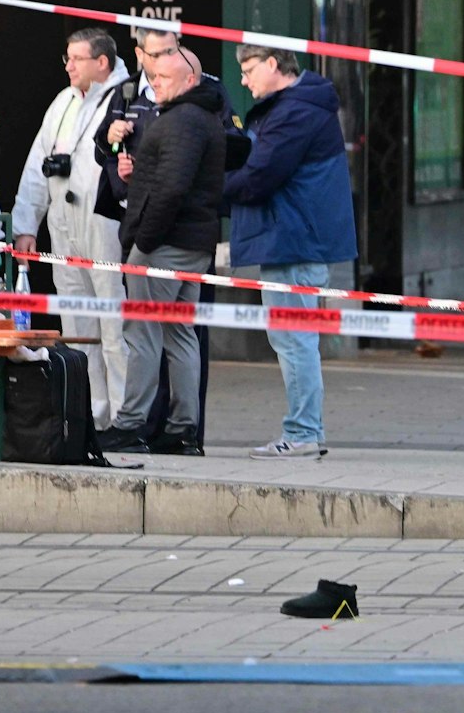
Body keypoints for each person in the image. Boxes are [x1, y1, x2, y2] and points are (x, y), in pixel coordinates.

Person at [226, 46, 357, 459]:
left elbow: (261, 174)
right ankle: (306, 431)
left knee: (293, 340)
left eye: (248, 71)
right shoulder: (301, 105)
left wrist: (207, 189)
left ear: (272, 64)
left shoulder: (295, 112)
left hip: (295, 242)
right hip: (295, 239)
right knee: (294, 339)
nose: (244, 82)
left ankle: (302, 433)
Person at [103, 46, 226, 456]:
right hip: (192, 244)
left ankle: (131, 424)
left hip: (164, 246)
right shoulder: (202, 116)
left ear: (190, 80)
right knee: (180, 334)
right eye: (152, 78)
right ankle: (182, 428)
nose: (154, 84)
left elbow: (171, 187)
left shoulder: (182, 121)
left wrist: (142, 241)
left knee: (143, 334)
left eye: (164, 78)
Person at [11, 28, 133, 427]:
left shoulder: (124, 98)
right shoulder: (62, 101)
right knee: (77, 325)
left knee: (114, 325)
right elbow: (37, 166)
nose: (68, 65)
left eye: (76, 58)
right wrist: (27, 223)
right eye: (67, 57)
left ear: (102, 62)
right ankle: (90, 414)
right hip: (64, 226)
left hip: (104, 223)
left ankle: (123, 415)